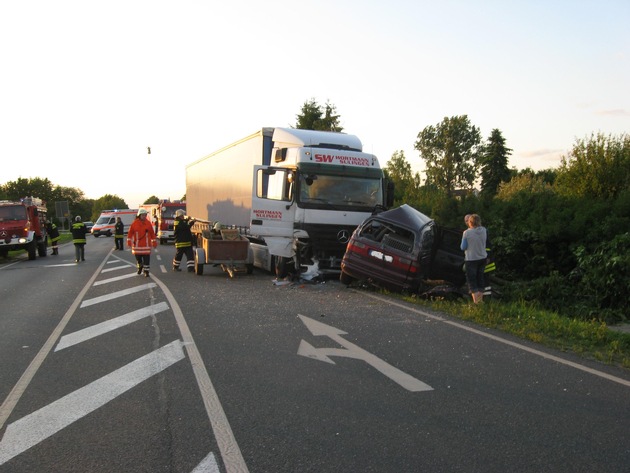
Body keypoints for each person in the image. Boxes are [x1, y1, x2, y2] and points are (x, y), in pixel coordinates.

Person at [461, 213, 487, 304]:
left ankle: (476, 302)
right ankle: (481, 300)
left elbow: (463, 247)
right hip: (483, 258)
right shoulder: (484, 230)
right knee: (480, 278)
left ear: (470, 222)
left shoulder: (466, 233)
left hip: (471, 259)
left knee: (472, 280)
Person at [127, 208, 157, 277]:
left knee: (146, 260)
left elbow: (152, 233)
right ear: (139, 215)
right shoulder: (134, 223)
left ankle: (146, 272)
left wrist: (154, 242)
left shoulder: (148, 223)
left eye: (145, 215)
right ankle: (140, 267)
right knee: (138, 259)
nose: (144, 216)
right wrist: (129, 241)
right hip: (137, 246)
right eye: (143, 215)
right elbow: (130, 233)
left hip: (146, 246)